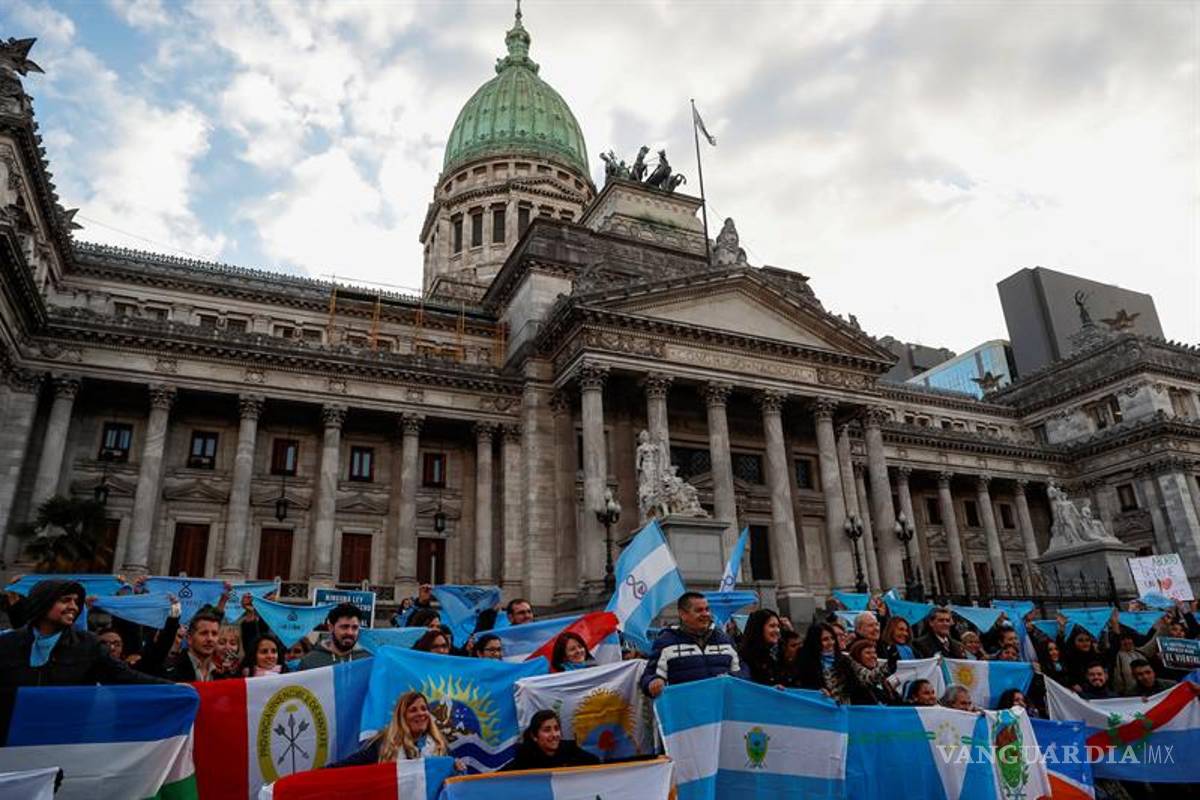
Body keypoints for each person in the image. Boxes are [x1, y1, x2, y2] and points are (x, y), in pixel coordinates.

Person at [0, 579, 168, 687]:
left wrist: (174, 688)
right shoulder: (7, 644)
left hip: (62, 736)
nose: (73, 607)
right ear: (43, 603)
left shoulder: (89, 645)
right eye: (65, 600)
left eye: (76, 602)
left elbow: (126, 677)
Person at [328, 691, 465, 771]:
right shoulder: (384, 745)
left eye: (424, 709)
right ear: (402, 716)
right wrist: (316, 776)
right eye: (413, 710)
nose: (421, 714)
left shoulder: (440, 746)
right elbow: (348, 767)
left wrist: (457, 768)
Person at [641, 592, 742, 698]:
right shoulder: (666, 642)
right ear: (683, 614)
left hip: (722, 709)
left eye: (707, 609)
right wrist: (653, 682)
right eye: (699, 610)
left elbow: (741, 670)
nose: (706, 614)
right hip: (686, 710)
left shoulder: (725, 639)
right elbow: (649, 675)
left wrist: (732, 677)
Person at [502, 710, 600, 771]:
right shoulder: (524, 757)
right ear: (534, 736)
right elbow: (499, 779)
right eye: (547, 730)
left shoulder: (570, 749)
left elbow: (596, 762)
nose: (554, 735)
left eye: (556, 729)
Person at [159, 609, 232, 682]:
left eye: (214, 634)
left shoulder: (221, 674)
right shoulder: (172, 670)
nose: (210, 639)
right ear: (189, 638)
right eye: (204, 633)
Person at [299, 604, 369, 669]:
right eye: (344, 627)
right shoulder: (310, 662)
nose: (350, 632)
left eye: (355, 627)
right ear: (331, 627)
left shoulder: (369, 660)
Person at [738, 608, 787, 687]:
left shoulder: (779, 653)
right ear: (759, 628)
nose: (777, 630)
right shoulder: (746, 657)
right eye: (772, 626)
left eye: (778, 626)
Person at [838, 639, 895, 705]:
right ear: (857, 655)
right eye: (868, 653)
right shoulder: (854, 678)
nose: (873, 656)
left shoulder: (883, 680)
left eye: (874, 652)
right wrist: (890, 665)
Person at [795, 622, 843, 697]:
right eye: (825, 639)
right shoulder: (805, 665)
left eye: (832, 638)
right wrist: (817, 692)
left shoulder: (845, 660)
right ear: (815, 642)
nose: (831, 643)